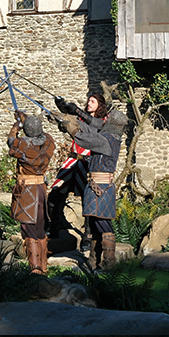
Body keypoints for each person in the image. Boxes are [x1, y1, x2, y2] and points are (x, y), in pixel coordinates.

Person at [62, 106, 127, 269]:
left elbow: (83, 138)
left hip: (101, 187)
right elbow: (92, 126)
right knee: (96, 225)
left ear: (112, 122)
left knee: (103, 225)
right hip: (98, 185)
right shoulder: (110, 136)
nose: (104, 119)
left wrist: (68, 125)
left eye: (108, 118)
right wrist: (72, 115)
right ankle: (93, 261)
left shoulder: (106, 140)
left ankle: (108, 264)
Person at [46, 94, 107, 242]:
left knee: (88, 201)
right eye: (88, 100)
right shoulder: (81, 118)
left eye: (93, 101)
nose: (89, 103)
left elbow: (92, 126)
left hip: (88, 163)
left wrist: (77, 111)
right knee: (54, 196)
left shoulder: (102, 122)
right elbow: (70, 118)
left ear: (100, 105)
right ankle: (55, 228)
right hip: (72, 161)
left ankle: (88, 237)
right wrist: (62, 105)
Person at [8, 111, 55, 274]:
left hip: (27, 191)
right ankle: (43, 266)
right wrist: (25, 119)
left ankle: (35, 270)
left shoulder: (22, 145)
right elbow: (41, 134)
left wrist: (16, 127)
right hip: (41, 190)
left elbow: (11, 142)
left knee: (29, 230)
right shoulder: (49, 142)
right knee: (40, 229)